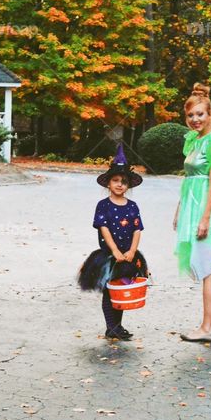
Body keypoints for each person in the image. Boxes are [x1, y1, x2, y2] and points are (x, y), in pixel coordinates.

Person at [173, 82, 211, 343]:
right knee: (208, 268)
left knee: (208, 267)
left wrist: (205, 217)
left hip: (205, 209)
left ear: (210, 115)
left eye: (200, 114)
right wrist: (179, 210)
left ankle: (208, 327)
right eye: (191, 115)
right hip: (191, 205)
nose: (195, 119)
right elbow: (188, 178)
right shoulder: (193, 141)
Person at [77, 144, 148, 341]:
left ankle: (117, 325)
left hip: (128, 255)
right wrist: (115, 250)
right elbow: (104, 228)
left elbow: (137, 229)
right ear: (108, 183)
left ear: (128, 185)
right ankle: (111, 326)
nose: (119, 184)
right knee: (110, 291)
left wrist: (132, 250)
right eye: (115, 180)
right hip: (110, 256)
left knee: (122, 289)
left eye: (123, 182)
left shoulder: (132, 206)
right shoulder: (103, 205)